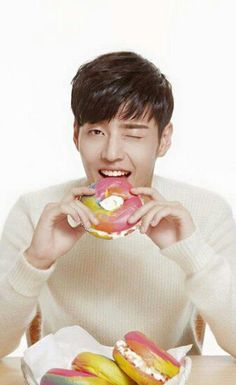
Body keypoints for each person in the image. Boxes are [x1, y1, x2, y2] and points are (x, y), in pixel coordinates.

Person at [0, 51, 236, 359]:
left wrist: (193, 254)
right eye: (96, 132)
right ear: (76, 135)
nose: (111, 153)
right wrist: (35, 261)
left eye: (133, 134)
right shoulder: (36, 211)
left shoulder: (204, 212)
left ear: (164, 139)